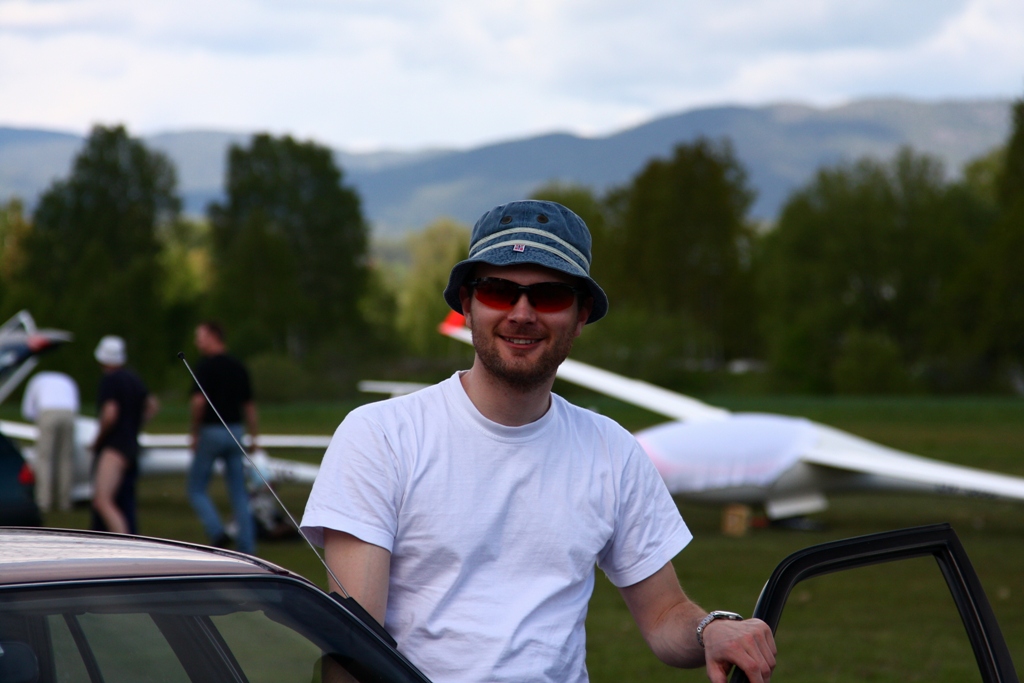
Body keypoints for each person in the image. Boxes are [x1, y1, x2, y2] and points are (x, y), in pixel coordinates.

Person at [301, 200, 776, 683]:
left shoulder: (611, 449)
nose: (522, 314)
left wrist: (710, 629)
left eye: (548, 296)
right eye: (498, 290)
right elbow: (354, 647)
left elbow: (664, 616)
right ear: (467, 303)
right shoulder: (380, 435)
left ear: (581, 314)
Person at [188, 321, 259, 554]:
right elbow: (249, 406)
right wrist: (254, 437)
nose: (197, 342)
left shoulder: (204, 367)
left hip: (211, 431)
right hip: (236, 432)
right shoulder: (238, 366)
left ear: (213, 337)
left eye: (200, 336)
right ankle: (247, 546)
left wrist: (194, 432)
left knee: (196, 488)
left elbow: (198, 403)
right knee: (239, 491)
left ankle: (217, 532)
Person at [91, 335, 158, 534]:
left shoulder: (110, 380)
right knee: (124, 500)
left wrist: (98, 440)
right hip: (131, 446)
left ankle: (124, 541)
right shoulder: (134, 379)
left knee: (102, 500)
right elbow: (152, 405)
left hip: (114, 447)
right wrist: (136, 424)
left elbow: (110, 414)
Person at [21, 370, 79, 513]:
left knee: (45, 458)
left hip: (48, 413)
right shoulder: (67, 379)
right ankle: (65, 502)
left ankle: (44, 501)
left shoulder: (37, 380)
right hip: (69, 414)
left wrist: (37, 419)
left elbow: (27, 410)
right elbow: (76, 404)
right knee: (65, 458)